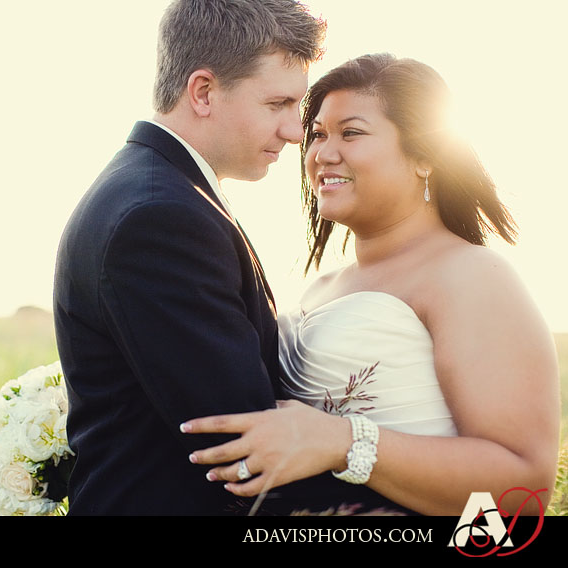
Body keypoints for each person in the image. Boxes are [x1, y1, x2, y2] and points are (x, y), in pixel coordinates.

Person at [181, 53, 561, 516]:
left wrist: (344, 443)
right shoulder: (318, 287)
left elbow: (525, 487)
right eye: (317, 134)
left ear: (425, 157)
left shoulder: (472, 276)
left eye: (351, 133)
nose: (323, 153)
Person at [52, 0, 326, 515]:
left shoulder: (154, 189)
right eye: (277, 104)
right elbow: (243, 442)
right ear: (203, 92)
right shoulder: (159, 216)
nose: (295, 130)